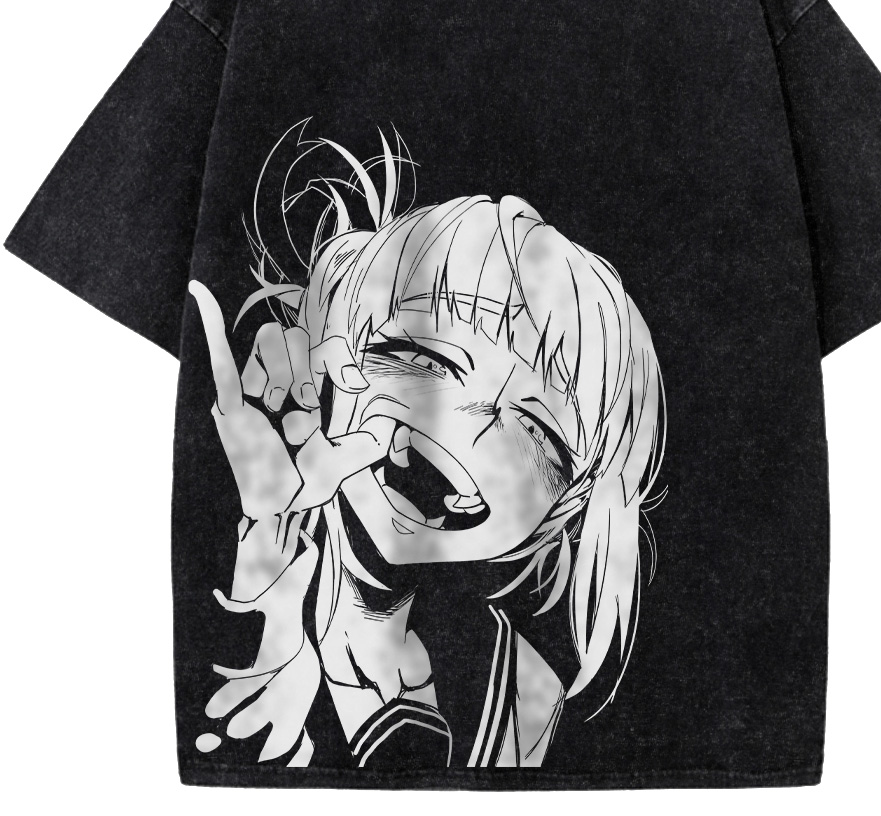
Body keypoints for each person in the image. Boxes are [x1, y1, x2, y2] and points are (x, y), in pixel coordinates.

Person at [189, 120, 667, 768]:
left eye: (538, 433)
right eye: (422, 357)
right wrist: (250, 604)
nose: (464, 434)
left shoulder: (523, 696)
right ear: (332, 357)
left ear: (567, 508)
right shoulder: (233, 571)